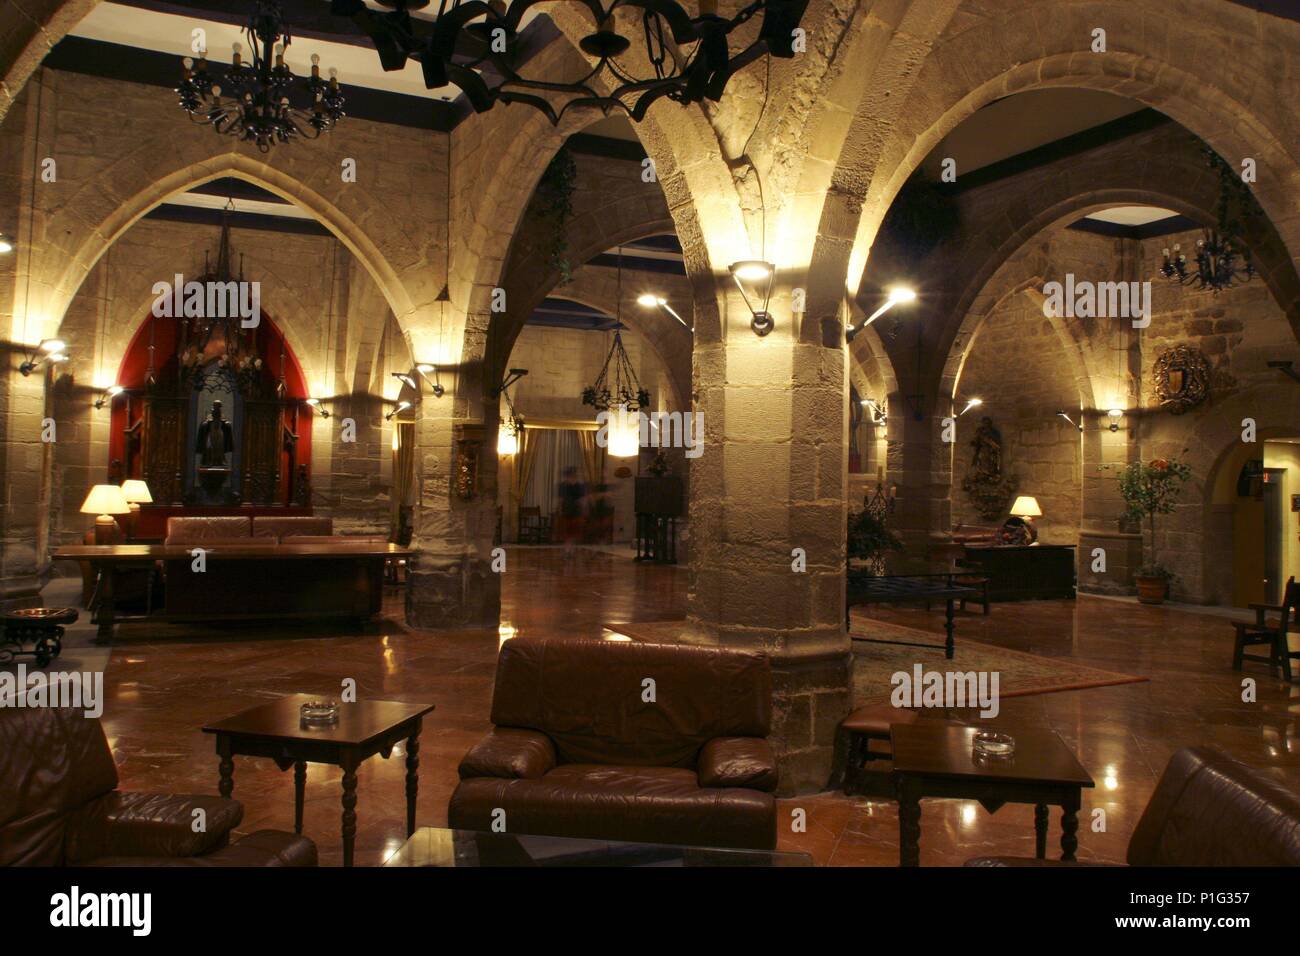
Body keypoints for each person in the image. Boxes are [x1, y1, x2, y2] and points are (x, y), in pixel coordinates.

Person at [556, 466, 586, 558]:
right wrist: (559, 510)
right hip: (567, 511)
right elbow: (560, 499)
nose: (573, 476)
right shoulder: (563, 486)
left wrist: (583, 509)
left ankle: (570, 550)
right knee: (567, 532)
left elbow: (582, 499)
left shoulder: (579, 486)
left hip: (576, 511)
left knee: (574, 532)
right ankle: (567, 550)